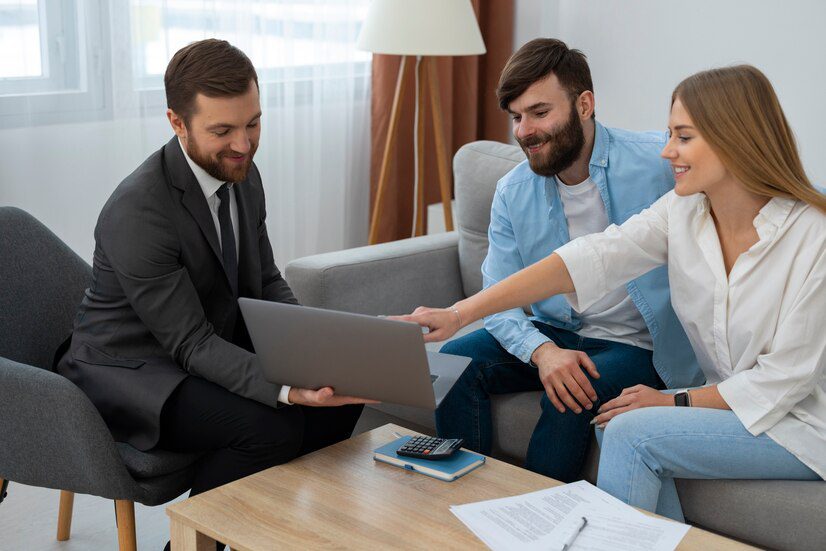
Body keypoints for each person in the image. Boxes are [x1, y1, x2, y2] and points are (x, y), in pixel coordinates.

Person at [397, 64, 825, 521]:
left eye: (683, 137)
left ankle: (541, 526)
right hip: (731, 403)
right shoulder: (683, 212)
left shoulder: (812, 237)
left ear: (734, 137)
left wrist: (672, 401)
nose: (667, 152)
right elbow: (590, 258)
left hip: (803, 424)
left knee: (628, 432)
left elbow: (784, 380)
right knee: (619, 422)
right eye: (669, 134)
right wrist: (460, 314)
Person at [54, 39, 372, 537]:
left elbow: (264, 279)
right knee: (272, 427)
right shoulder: (139, 210)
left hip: (201, 341)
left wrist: (316, 344)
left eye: (253, 123)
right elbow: (189, 343)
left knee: (345, 396)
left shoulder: (240, 172)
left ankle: (266, 529)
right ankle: (192, 545)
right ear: (176, 123)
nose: (244, 144)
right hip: (132, 368)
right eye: (222, 130)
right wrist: (288, 388)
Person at [434, 38, 701, 482]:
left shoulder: (658, 162)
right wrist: (542, 351)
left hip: (641, 344)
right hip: (557, 332)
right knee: (453, 361)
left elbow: (745, 182)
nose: (524, 131)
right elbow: (497, 297)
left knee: (572, 393)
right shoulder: (513, 191)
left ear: (584, 104)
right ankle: (465, 495)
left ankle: (537, 517)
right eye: (516, 117)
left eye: (540, 113)